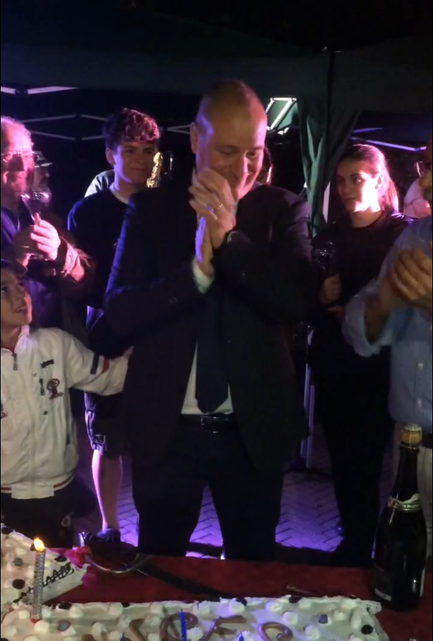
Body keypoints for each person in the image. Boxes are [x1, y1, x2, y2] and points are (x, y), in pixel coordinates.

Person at [105, 80, 314, 562]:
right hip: (167, 431)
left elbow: (296, 301)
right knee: (160, 566)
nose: (242, 168)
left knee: (252, 570)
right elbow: (120, 309)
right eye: (227, 151)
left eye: (253, 153)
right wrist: (196, 274)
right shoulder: (151, 210)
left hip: (251, 432)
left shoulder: (284, 210)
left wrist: (230, 239)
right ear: (196, 138)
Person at [310, 144, 412, 567]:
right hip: (337, 364)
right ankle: (354, 544)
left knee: (379, 462)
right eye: (340, 180)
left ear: (379, 181)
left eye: (356, 179)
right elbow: (303, 301)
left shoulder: (401, 235)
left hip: (382, 370)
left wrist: (361, 310)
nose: (347, 188)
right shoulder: (328, 237)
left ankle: (384, 548)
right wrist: (320, 298)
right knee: (344, 459)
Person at [68, 109, 160, 540]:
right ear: (111, 155)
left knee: (156, 443)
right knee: (107, 441)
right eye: (130, 150)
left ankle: (154, 529)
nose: (141, 159)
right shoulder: (87, 213)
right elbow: (82, 287)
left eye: (148, 150)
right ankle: (110, 528)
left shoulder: (169, 209)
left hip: (158, 342)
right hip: (107, 340)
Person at [0, 259, 130, 548]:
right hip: (5, 498)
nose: (20, 294)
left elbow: (107, 377)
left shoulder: (55, 345)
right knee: (11, 574)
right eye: (3, 289)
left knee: (55, 569)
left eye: (20, 285)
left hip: (57, 493)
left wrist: (146, 353)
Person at [344, 137, 432, 556]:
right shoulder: (416, 237)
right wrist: (384, 303)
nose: (425, 183)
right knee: (405, 568)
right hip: (409, 447)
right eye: (425, 166)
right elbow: (360, 329)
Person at [1, 117, 92, 330]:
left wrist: (61, 255)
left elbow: (86, 285)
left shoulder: (44, 216)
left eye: (27, 154)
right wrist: (14, 259)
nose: (22, 164)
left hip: (50, 344)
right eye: (9, 155)